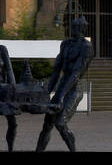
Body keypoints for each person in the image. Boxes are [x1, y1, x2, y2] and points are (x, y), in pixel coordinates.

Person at [37, 16, 93, 152]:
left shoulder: (86, 47)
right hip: (63, 86)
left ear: (81, 28)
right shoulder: (65, 44)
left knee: (60, 123)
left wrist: (61, 96)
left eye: (73, 26)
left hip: (75, 88)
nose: (70, 28)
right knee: (47, 123)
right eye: (71, 26)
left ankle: (72, 149)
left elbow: (76, 73)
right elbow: (56, 71)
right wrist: (46, 92)